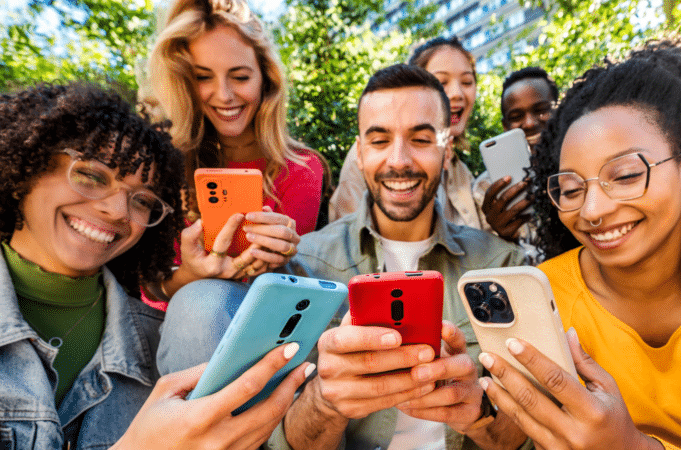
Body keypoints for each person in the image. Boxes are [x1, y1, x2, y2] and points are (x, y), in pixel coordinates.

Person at [158, 64, 531, 450]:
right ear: (359, 150)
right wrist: (323, 403)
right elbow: (276, 440)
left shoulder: (502, 267)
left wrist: (480, 413)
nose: (399, 160)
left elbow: (525, 438)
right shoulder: (303, 264)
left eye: (420, 139)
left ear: (447, 147)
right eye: (379, 140)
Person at [477, 38, 681, 448]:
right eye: (571, 188)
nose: (592, 210)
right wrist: (475, 408)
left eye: (627, 175)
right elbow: (515, 432)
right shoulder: (545, 293)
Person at [0, 83, 312, 449]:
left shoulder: (163, 344)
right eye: (91, 176)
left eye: (142, 200)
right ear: (24, 167)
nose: (117, 212)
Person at [144, 0, 325, 304]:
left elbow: (283, 294)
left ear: (266, 79)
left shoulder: (303, 170)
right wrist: (191, 274)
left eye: (240, 77)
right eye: (203, 77)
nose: (225, 96)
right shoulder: (165, 160)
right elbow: (146, 287)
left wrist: (280, 259)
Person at [328, 36, 483, 231]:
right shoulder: (369, 160)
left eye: (467, 82)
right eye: (441, 82)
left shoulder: (461, 172)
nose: (457, 93)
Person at [473, 66, 558, 260]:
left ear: (558, 110)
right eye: (516, 117)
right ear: (505, 127)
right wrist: (502, 238)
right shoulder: (485, 189)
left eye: (542, 110)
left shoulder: (580, 165)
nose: (529, 123)